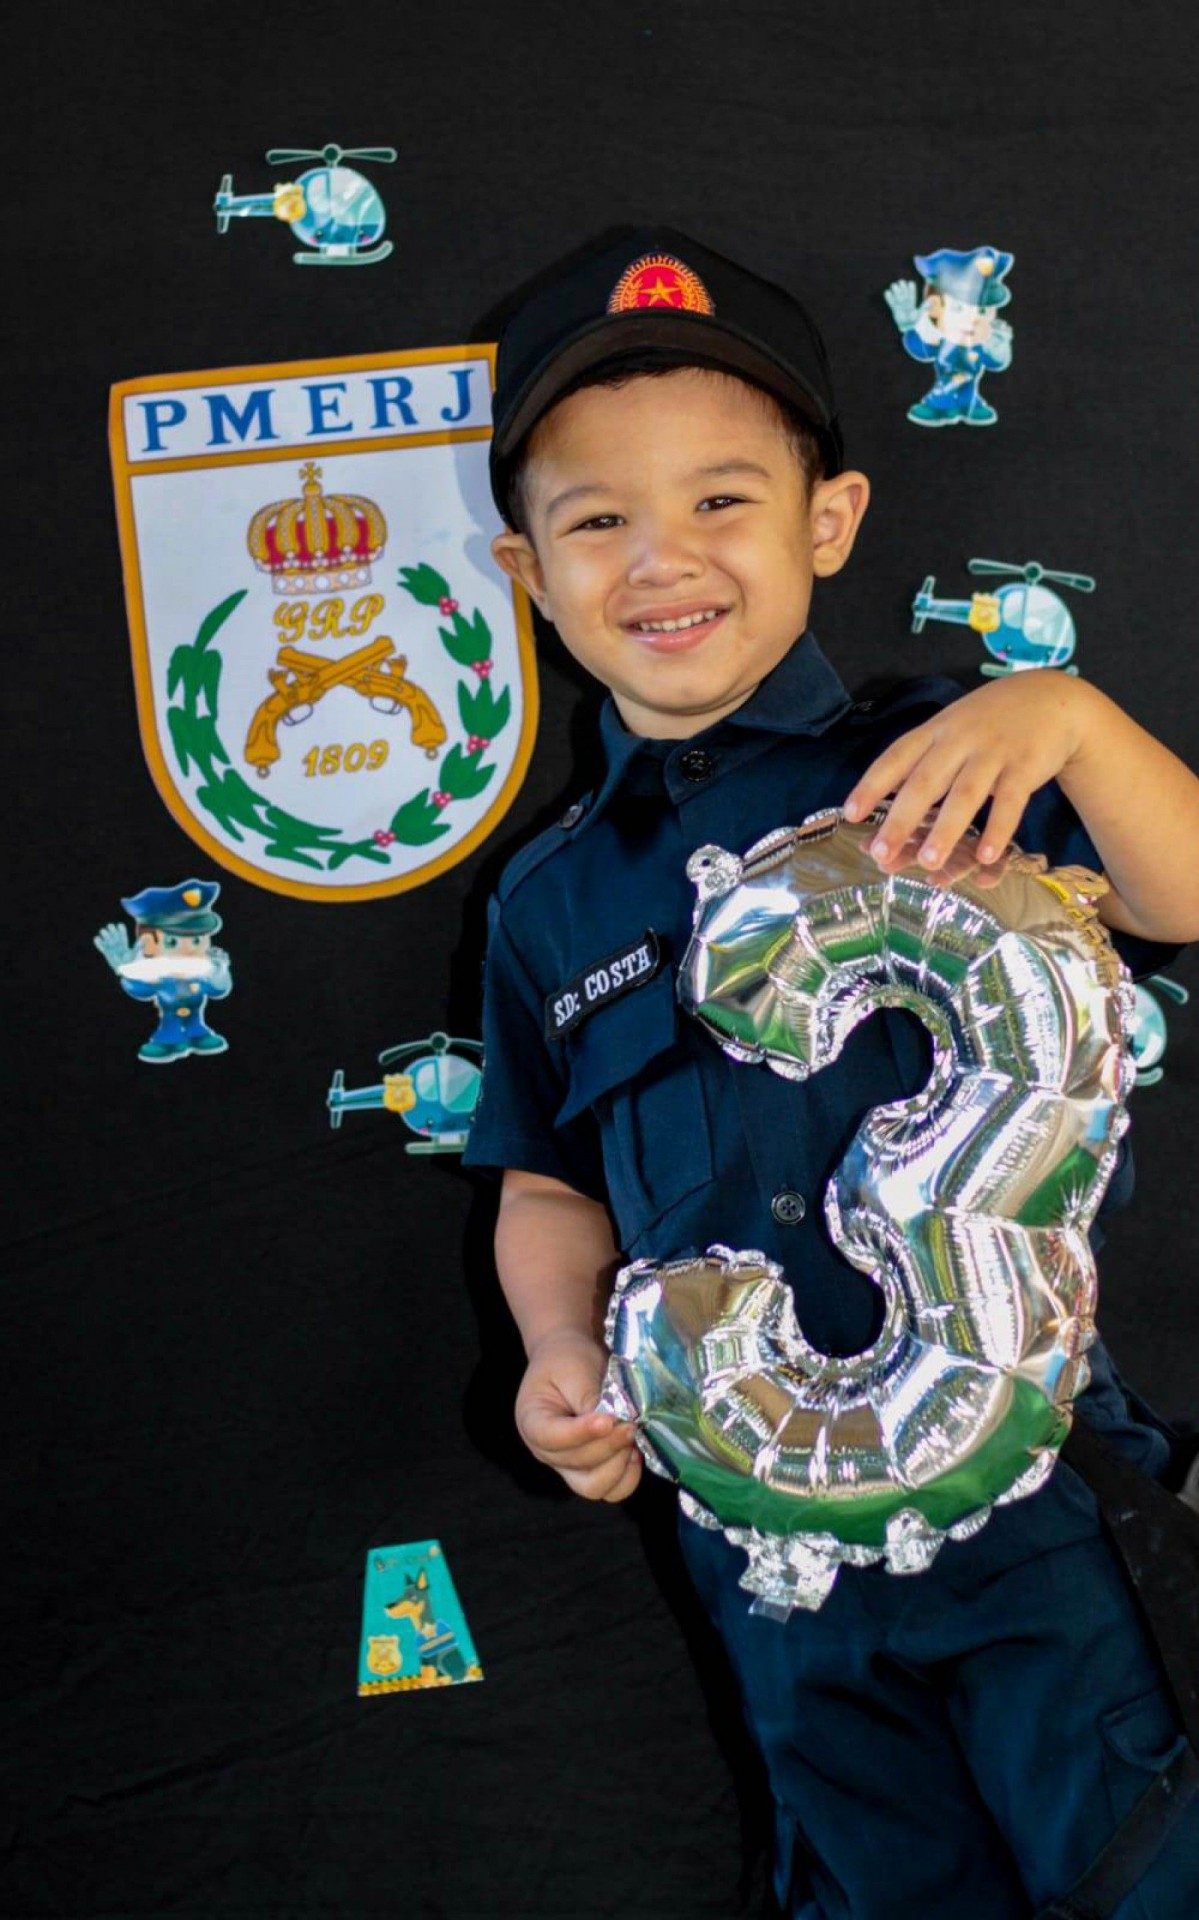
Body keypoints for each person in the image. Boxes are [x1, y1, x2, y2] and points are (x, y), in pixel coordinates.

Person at [460, 223, 1199, 1917]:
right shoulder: (550, 899)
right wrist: (560, 1350)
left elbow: (1190, 889)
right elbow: (544, 1183)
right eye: (598, 521)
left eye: (722, 500)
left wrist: (1071, 717)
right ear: (526, 569)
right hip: (770, 1559)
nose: (664, 561)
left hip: (1036, 1515)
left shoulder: (954, 755)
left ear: (830, 520)